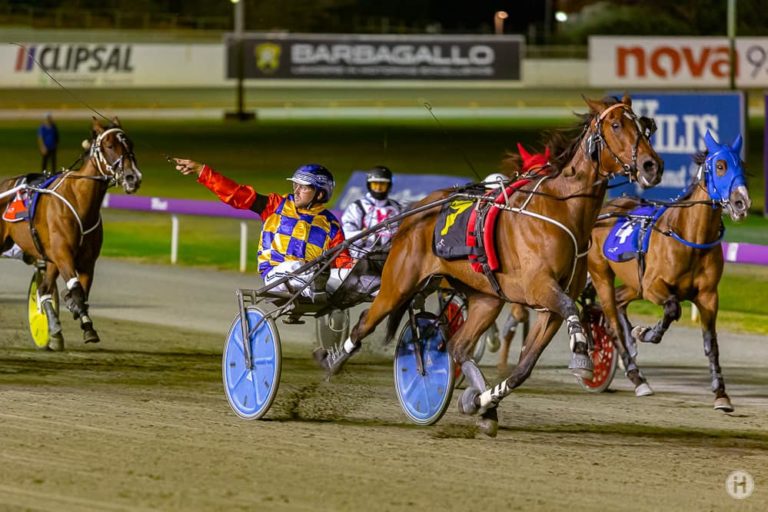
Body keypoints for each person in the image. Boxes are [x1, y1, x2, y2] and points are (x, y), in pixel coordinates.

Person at [172, 158, 353, 298]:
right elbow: (235, 194)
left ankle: (322, 294)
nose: (296, 191)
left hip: (313, 277)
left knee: (347, 275)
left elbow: (343, 260)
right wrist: (201, 170)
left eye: (303, 187)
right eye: (295, 185)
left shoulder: (331, 224)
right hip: (277, 276)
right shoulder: (275, 205)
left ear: (320, 194)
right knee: (296, 266)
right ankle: (315, 288)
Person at [341, 165, 403, 259]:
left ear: (389, 185)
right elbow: (345, 235)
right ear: (369, 185)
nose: (378, 188)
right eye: (375, 184)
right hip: (361, 257)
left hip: (390, 257)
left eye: (382, 184)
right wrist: (363, 235)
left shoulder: (397, 208)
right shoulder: (357, 207)